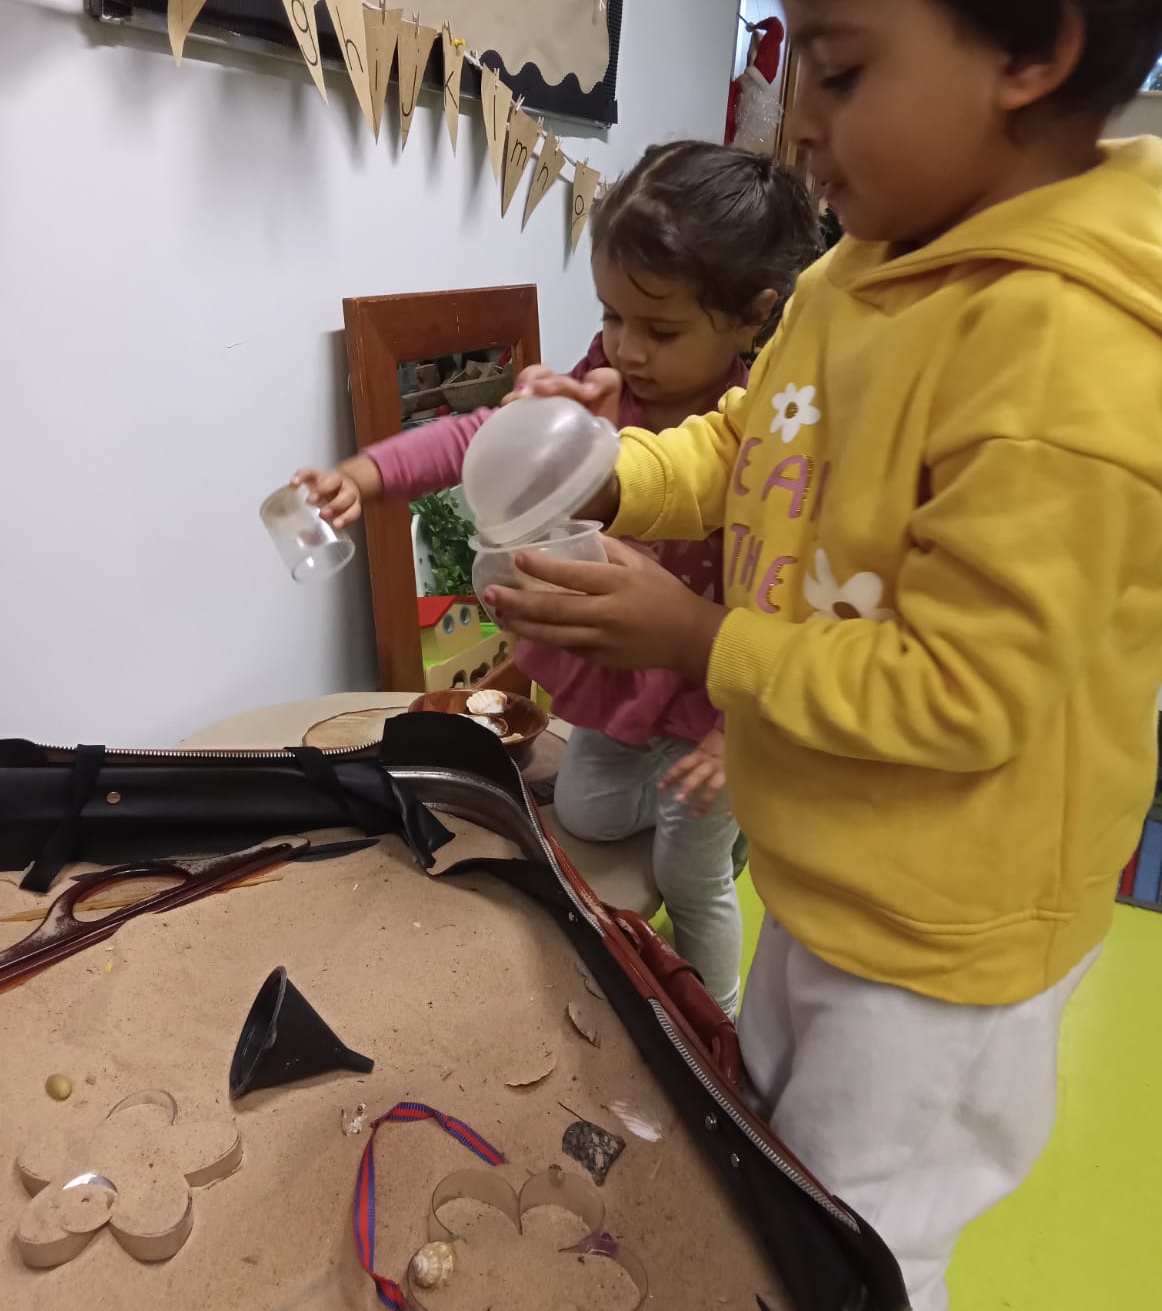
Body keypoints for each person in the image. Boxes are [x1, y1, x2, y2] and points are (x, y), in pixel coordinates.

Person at [481, 0, 1162, 1311]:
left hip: (949, 933)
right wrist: (609, 476)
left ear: (1032, 52)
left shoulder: (1068, 353)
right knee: (787, 1189)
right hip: (838, 863)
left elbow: (965, 693)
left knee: (863, 1276)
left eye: (843, 71)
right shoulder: (862, 276)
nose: (797, 122)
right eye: (797, 64)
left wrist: (702, 641)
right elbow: (742, 444)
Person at [295, 142, 821, 1020]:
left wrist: (737, 737)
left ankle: (713, 1019)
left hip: (714, 702)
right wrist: (368, 474)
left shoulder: (761, 439)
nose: (625, 348)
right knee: (591, 820)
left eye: (660, 330)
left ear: (750, 320)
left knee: (691, 879)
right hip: (625, 689)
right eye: (613, 316)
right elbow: (475, 439)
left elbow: (779, 598)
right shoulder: (593, 388)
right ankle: (678, 803)